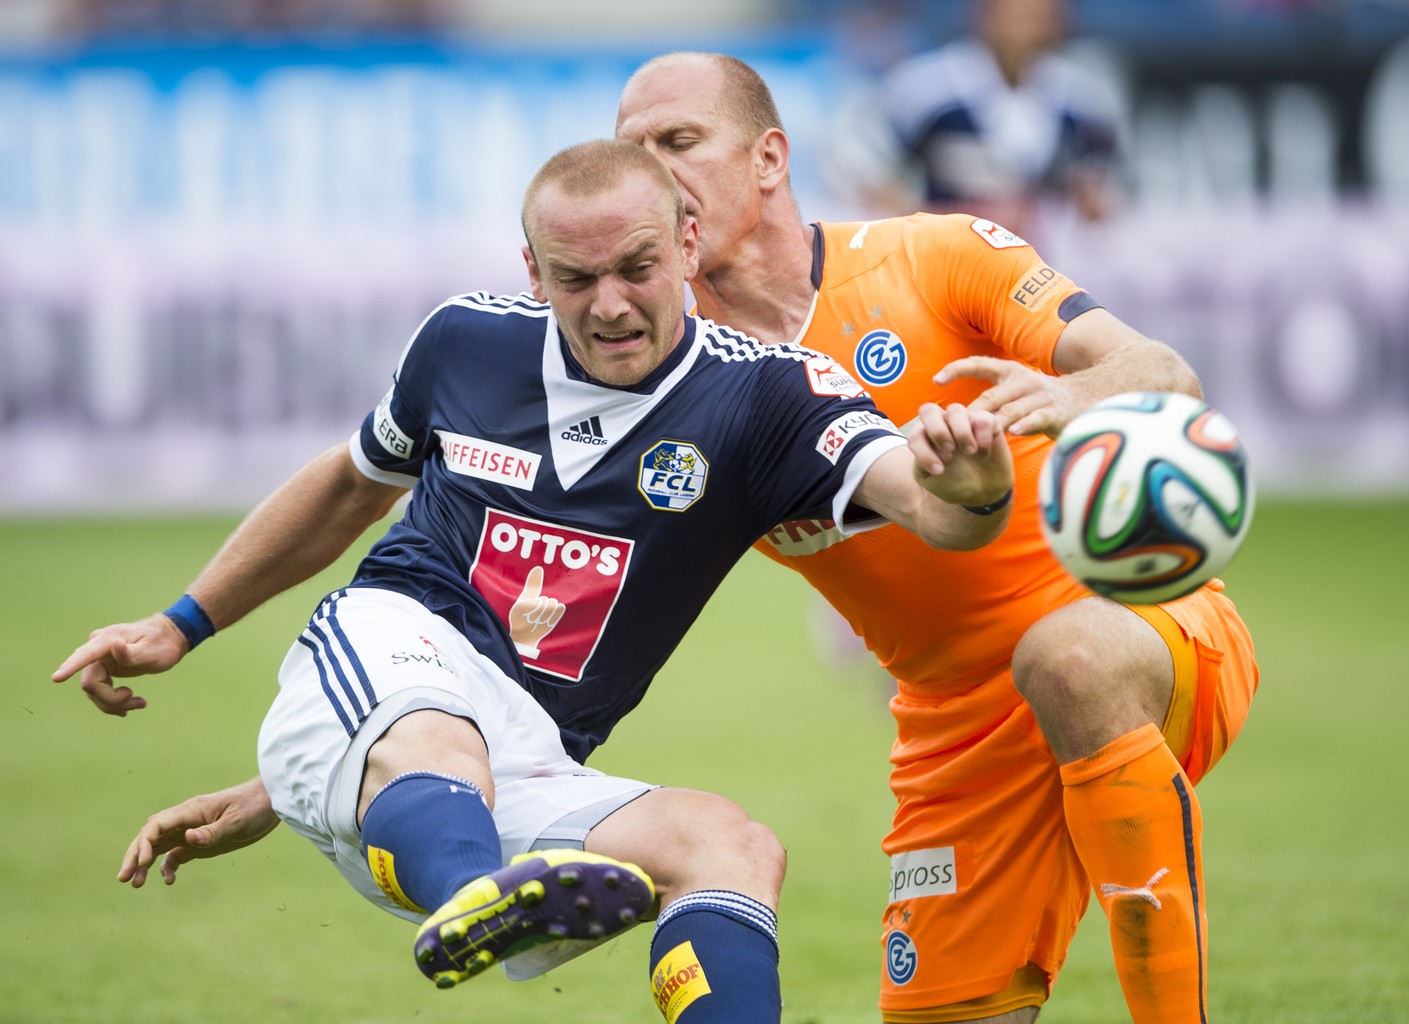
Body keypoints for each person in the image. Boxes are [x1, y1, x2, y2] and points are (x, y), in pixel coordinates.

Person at [53, 138, 1016, 1023]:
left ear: (688, 245)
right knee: (442, 736)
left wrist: (971, 488)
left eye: (637, 268)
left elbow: (934, 511)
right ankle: (480, 893)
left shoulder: (765, 394)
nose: (609, 304)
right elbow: (352, 485)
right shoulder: (466, 342)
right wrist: (183, 623)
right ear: (532, 272)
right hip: (391, 658)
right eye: (576, 277)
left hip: (515, 762)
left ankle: (486, 888)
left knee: (730, 849)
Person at [611, 53, 1256, 1024]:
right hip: (955, 732)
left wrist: (1071, 394)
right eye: (631, 155)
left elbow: (1165, 373)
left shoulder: (934, 257)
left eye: (679, 142)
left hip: (1132, 630)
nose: (651, 175)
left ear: (769, 159)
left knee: (1067, 656)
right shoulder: (672, 395)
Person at [837, 0, 1122, 232]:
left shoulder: (1080, 100)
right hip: (946, 269)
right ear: (984, 12)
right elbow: (857, 162)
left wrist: (1090, 200)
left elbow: (1102, 184)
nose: (1027, 22)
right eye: (1016, 12)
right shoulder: (928, 88)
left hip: (1041, 276)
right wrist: (924, 218)